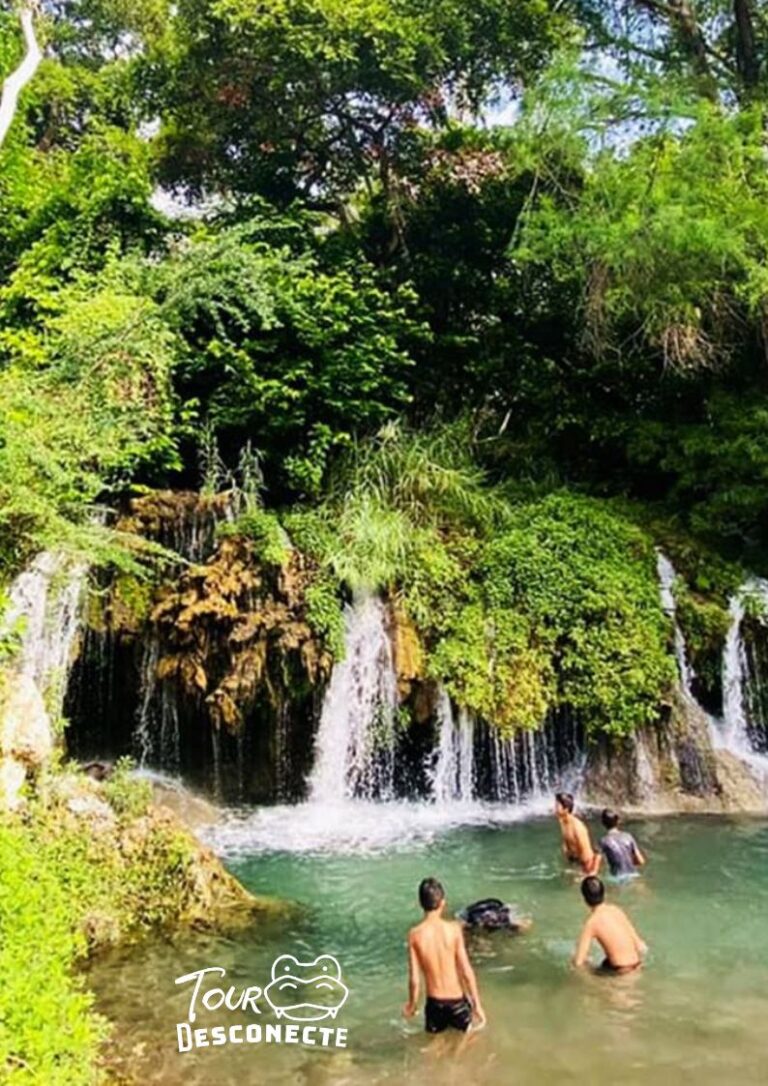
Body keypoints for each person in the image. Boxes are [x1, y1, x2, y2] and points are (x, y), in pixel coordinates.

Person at [403, 877, 487, 1033]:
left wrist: (411, 1006)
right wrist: (477, 1006)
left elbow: (415, 979)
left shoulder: (415, 935)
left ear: (421, 904)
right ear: (442, 902)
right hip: (457, 1002)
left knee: (435, 1047)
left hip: (434, 1004)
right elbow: (466, 971)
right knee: (468, 1040)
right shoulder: (454, 929)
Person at [573, 876, 648, 974]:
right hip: (638, 965)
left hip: (621, 972)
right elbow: (640, 945)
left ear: (585, 899)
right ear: (604, 894)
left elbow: (578, 962)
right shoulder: (616, 910)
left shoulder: (592, 922)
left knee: (584, 967)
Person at [555, 792, 601, 875]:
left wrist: (587, 874)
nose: (554, 808)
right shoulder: (562, 821)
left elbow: (587, 855)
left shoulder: (577, 828)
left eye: (557, 806)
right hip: (574, 861)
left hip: (586, 865)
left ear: (566, 809)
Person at [599, 808, 646, 877]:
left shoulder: (603, 841)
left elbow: (595, 867)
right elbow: (640, 861)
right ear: (617, 821)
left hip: (617, 877)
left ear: (602, 823)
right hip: (634, 874)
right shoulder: (628, 836)